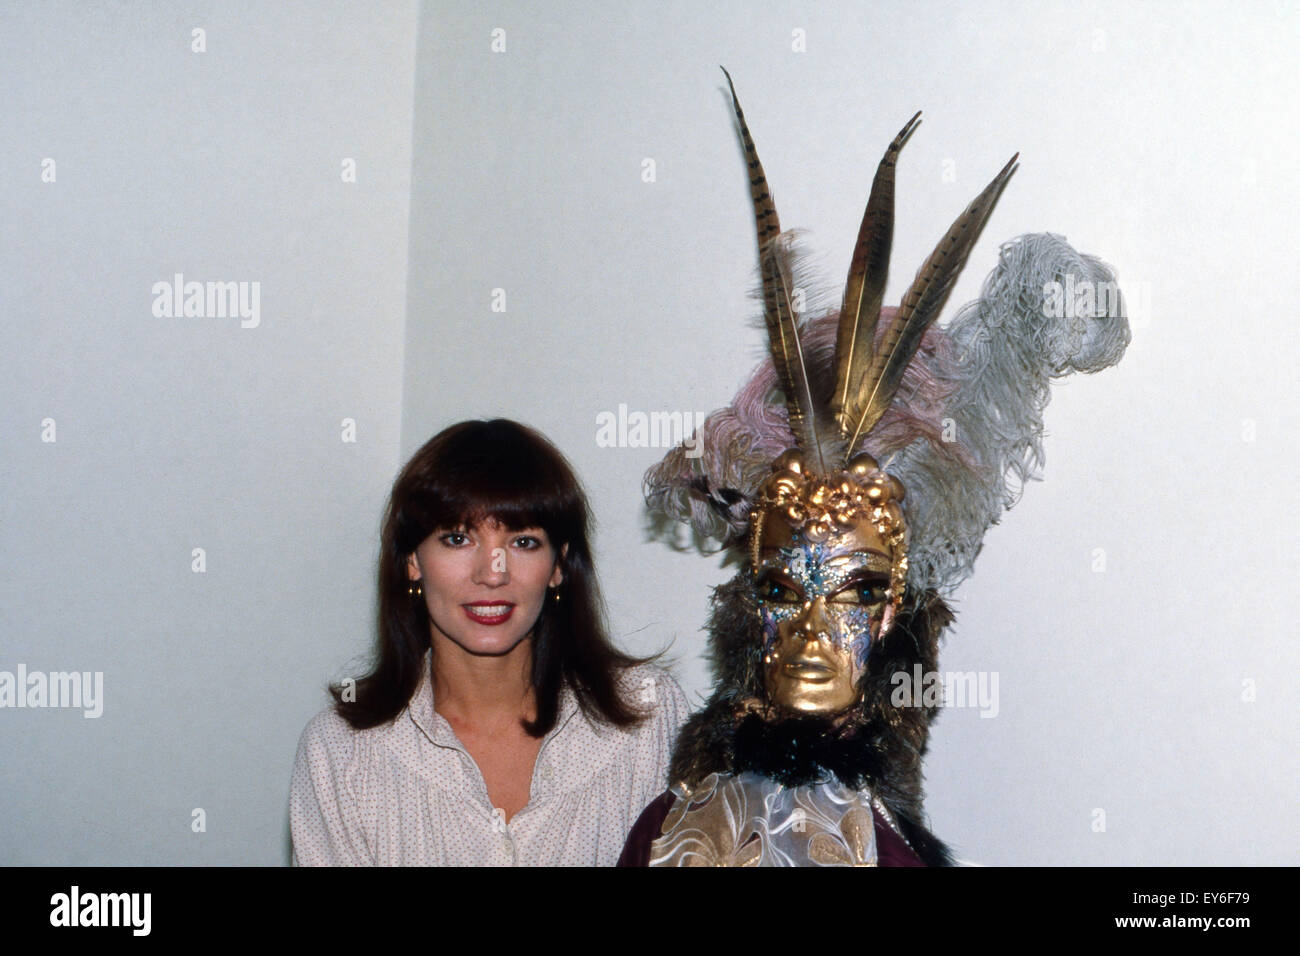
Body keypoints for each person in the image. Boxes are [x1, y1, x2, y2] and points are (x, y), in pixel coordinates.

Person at [618, 69, 1130, 866]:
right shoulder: (674, 834)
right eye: (784, 588)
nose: (815, 633)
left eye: (856, 590)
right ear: (750, 604)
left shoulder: (882, 844)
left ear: (897, 610)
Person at [290, 418, 687, 865]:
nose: (492, 572)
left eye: (523, 541)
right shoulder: (341, 752)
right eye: (458, 539)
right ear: (411, 562)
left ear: (559, 565)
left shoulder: (648, 719)